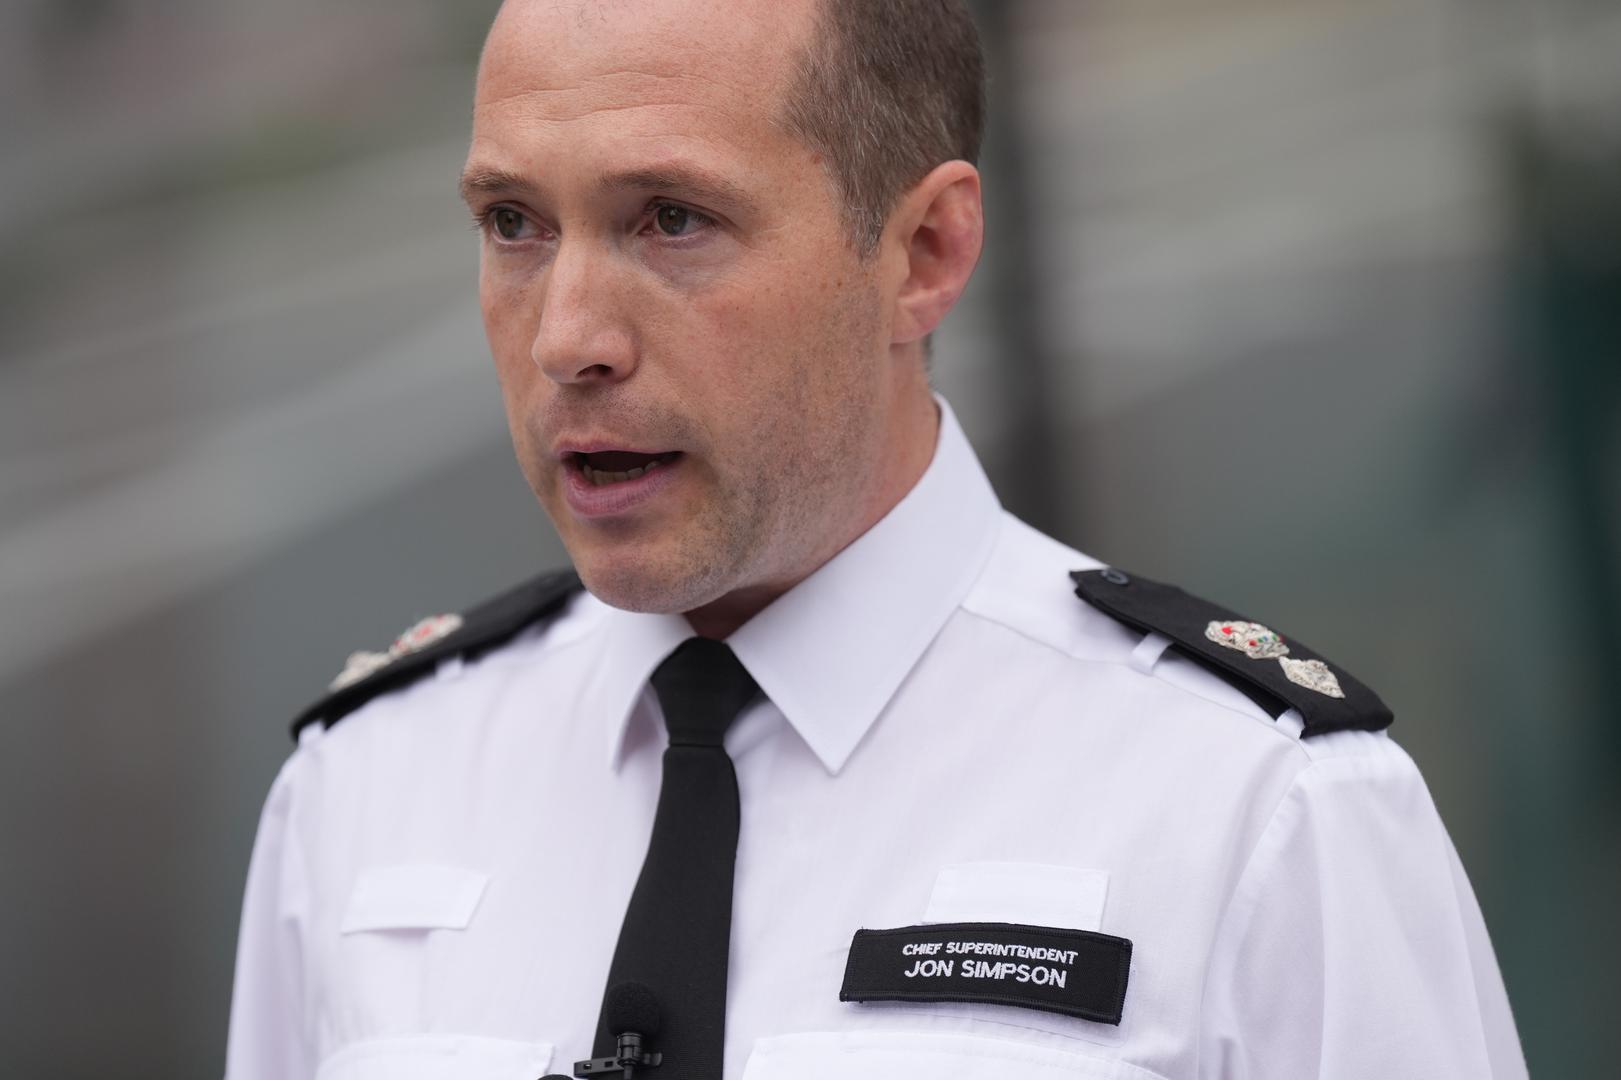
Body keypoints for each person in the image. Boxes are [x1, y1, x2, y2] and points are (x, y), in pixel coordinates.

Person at [225, 1, 1528, 1077]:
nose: (568, 337)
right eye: (513, 223)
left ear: (923, 250)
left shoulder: (1252, 810)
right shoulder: (365, 787)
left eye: (671, 220)